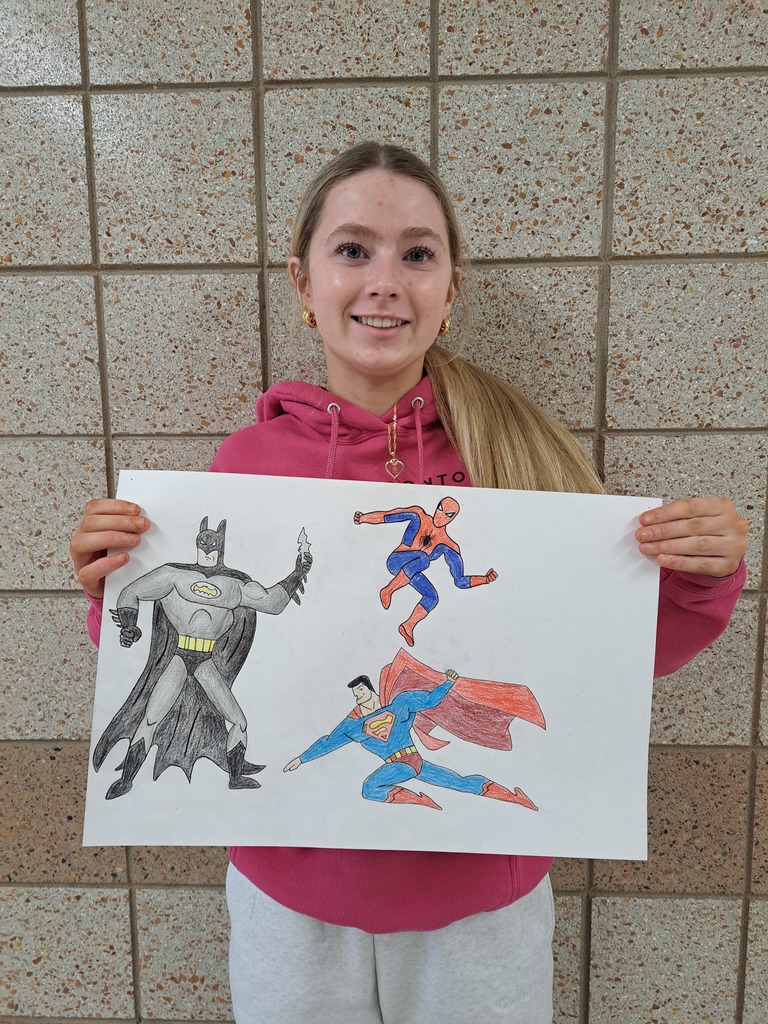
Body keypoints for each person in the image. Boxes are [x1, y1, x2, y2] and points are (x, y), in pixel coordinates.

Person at [70, 142, 748, 1024]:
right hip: (290, 898)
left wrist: (700, 575)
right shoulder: (244, 466)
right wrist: (113, 588)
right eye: (352, 250)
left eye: (417, 254)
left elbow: (608, 656)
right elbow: (203, 637)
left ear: (451, 288)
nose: (384, 281)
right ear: (303, 282)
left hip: (483, 907)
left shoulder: (520, 457)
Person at [283, 669, 537, 811]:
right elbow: (328, 741)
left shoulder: (400, 703)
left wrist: (448, 683)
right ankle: (422, 799)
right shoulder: (353, 724)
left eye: (359, 690)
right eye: (354, 694)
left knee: (370, 787)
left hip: (407, 762)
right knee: (457, 781)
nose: (357, 696)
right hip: (410, 765)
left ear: (369, 689)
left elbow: (429, 700)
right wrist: (302, 758)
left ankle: (512, 797)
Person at [353, 498, 498, 644]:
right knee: (423, 558)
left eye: (447, 514)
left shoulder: (449, 545)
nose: (440, 515)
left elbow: (460, 580)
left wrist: (485, 579)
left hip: (411, 571)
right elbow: (388, 516)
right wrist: (363, 518)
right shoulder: (419, 515)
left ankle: (408, 626)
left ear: (452, 518)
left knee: (432, 597)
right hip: (396, 560)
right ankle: (388, 590)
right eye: (440, 509)